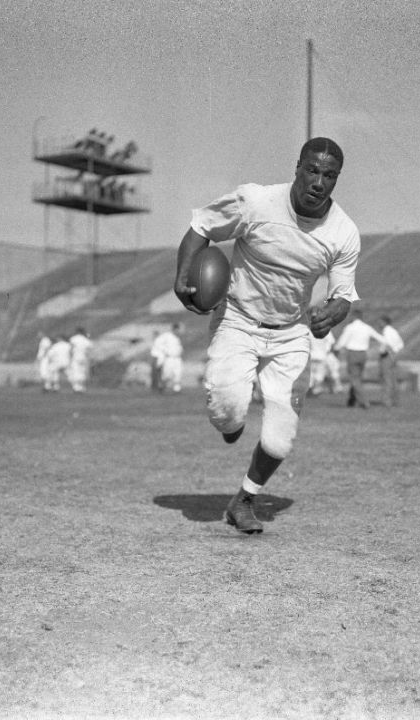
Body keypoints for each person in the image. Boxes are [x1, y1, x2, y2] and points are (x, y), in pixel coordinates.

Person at [174, 137, 359, 535]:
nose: (318, 182)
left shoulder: (343, 232)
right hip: (238, 318)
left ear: (336, 180)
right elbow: (200, 227)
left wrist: (333, 314)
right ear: (297, 167)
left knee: (279, 441)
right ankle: (233, 421)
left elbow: (344, 294)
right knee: (227, 412)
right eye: (312, 170)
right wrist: (182, 275)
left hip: (291, 332)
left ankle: (243, 500)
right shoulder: (256, 203)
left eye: (329, 175)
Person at [335, 308, 387, 409]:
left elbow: (342, 341)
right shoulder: (367, 327)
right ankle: (352, 400)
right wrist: (383, 349)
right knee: (357, 378)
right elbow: (381, 339)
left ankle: (364, 401)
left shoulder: (350, 327)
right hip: (363, 355)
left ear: (354, 317)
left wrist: (336, 349)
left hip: (353, 353)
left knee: (354, 379)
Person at [378, 315, 405, 407]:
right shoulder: (393, 331)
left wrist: (387, 352)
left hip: (387, 356)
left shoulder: (386, 331)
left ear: (384, 322)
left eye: (380, 322)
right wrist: (395, 354)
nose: (379, 324)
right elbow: (401, 344)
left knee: (386, 379)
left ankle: (387, 401)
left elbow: (387, 344)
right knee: (393, 379)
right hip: (394, 356)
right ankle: (395, 400)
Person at [150, 323, 185, 393]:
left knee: (178, 373)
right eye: (178, 330)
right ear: (175, 329)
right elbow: (157, 343)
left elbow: (178, 348)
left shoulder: (177, 338)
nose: (179, 332)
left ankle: (177, 389)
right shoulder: (166, 336)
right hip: (169, 358)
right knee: (167, 374)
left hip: (177, 358)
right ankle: (162, 386)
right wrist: (164, 351)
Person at [307, 329, 336, 397]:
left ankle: (310, 388)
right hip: (322, 355)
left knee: (311, 373)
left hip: (312, 355)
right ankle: (316, 390)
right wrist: (327, 350)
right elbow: (331, 342)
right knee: (319, 373)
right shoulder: (327, 331)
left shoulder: (310, 332)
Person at [67, 327, 92, 392]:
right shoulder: (86, 339)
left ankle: (76, 387)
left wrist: (69, 356)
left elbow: (70, 348)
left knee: (75, 371)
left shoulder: (73, 339)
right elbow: (89, 349)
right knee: (83, 371)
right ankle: (82, 386)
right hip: (84, 357)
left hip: (75, 357)